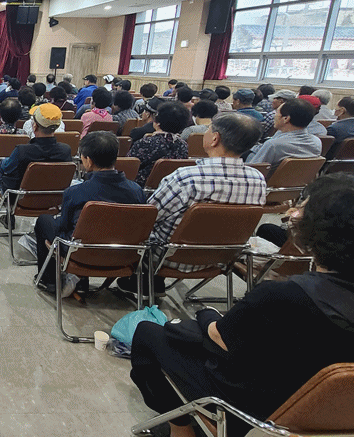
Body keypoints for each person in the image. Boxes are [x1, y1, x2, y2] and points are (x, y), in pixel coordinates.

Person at [130, 176, 354, 437]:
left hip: (260, 427)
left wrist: (207, 315)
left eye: (305, 210)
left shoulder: (286, 296)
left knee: (151, 333)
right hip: (346, 434)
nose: (294, 213)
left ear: (322, 233)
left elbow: (219, 337)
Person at [131, 112, 266, 295]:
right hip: (221, 258)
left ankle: (143, 282)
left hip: (168, 257)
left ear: (215, 139)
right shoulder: (258, 179)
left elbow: (149, 217)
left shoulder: (186, 178)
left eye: (208, 129)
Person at [32, 132, 145, 296]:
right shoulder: (137, 191)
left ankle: (50, 281)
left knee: (44, 221)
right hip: (125, 255)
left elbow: (63, 226)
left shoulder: (75, 192)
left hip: (81, 254)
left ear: (89, 161)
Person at [0, 104, 71, 210]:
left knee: (4, 164)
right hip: (54, 200)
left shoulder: (22, 151)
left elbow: (6, 168)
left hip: (20, 198)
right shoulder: (66, 150)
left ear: (35, 126)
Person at [247, 98, 321, 173]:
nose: (274, 116)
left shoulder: (274, 145)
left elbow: (252, 171)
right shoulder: (317, 142)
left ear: (286, 118)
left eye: (277, 113)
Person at [127, 102, 190, 186]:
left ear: (158, 122)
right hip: (173, 186)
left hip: (142, 187)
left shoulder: (145, 143)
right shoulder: (183, 145)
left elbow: (129, 167)